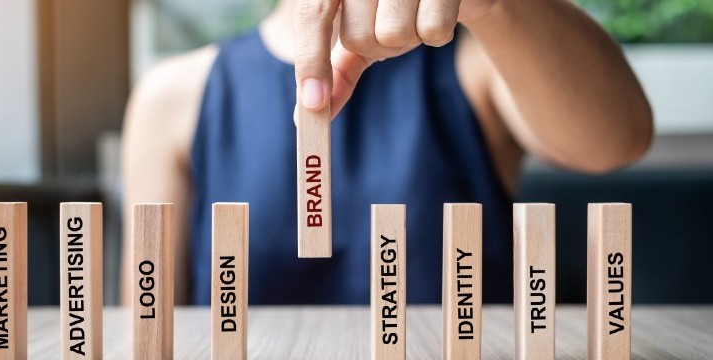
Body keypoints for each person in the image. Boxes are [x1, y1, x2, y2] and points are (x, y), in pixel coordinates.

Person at [121, 0, 653, 305]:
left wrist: (497, 6)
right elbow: (149, 334)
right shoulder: (173, 96)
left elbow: (617, 140)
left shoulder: (480, 62)